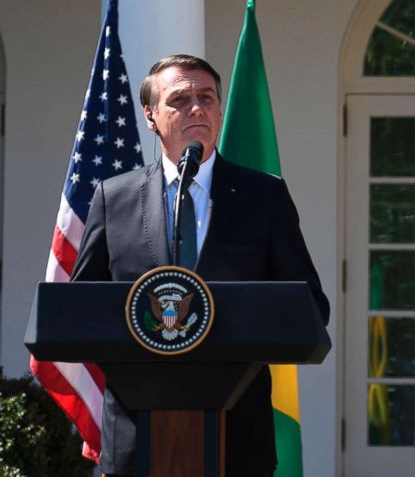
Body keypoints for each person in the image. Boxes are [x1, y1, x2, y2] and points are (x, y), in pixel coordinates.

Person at [71, 54, 330, 477]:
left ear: (220, 109)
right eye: (180, 99)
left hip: (238, 435)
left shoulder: (263, 197)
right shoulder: (113, 197)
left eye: (207, 97)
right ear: (151, 116)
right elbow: (81, 310)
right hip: (138, 434)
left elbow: (310, 307)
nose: (197, 107)